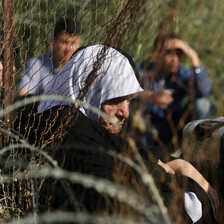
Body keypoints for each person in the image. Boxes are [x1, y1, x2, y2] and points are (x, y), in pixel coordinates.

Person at [32, 45, 219, 223]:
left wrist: (177, 166)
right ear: (88, 91)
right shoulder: (68, 128)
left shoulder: (89, 125)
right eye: (115, 99)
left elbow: (135, 151)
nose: (125, 113)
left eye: (129, 101)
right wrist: (161, 170)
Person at [138, 32, 211, 152]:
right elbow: (123, 92)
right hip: (146, 128)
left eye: (179, 54)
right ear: (157, 54)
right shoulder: (143, 70)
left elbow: (204, 90)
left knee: (202, 103)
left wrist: (193, 57)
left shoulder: (181, 74)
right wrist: (149, 96)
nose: (174, 59)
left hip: (174, 128)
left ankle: (198, 151)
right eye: (169, 53)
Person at [17, 17, 81, 97]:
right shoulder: (37, 64)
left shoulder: (82, 67)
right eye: (64, 42)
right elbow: (23, 94)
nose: (69, 48)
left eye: (74, 43)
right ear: (53, 42)